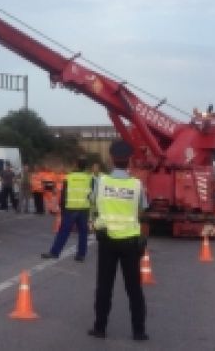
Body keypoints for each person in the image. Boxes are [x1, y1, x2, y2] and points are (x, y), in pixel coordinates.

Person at [88, 139, 149, 341]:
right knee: (134, 289)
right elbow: (142, 210)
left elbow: (94, 205)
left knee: (104, 286)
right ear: (129, 160)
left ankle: (100, 328)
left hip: (107, 241)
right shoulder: (136, 184)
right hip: (130, 242)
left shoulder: (101, 182)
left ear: (112, 159)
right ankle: (138, 331)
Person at [41, 156, 93, 261]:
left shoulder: (69, 177)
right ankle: (81, 255)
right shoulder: (90, 178)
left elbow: (64, 195)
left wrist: (62, 209)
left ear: (76, 165)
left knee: (63, 231)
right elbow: (91, 195)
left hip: (70, 208)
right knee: (83, 232)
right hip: (84, 209)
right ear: (85, 166)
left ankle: (55, 252)